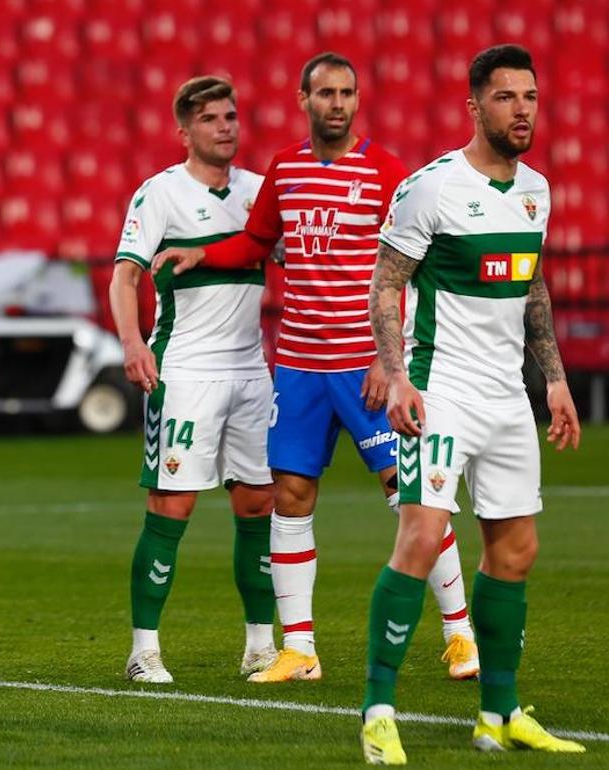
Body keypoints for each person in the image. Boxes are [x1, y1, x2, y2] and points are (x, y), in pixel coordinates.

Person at [155, 53, 478, 683]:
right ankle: (299, 650)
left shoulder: (387, 172)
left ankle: (459, 633)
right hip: (300, 369)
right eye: (326, 92)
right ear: (303, 98)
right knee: (291, 498)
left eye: (348, 93)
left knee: (410, 494)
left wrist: (396, 360)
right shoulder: (287, 169)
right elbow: (255, 240)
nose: (338, 103)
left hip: (367, 368)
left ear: (358, 100)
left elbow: (416, 266)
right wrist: (204, 254)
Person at [358, 44, 584, 764]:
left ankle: (498, 716)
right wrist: (397, 377)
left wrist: (552, 378)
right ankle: (378, 711)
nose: (522, 110)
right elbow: (386, 284)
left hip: (507, 398)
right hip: (442, 391)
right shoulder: (431, 188)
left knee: (515, 553)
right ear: (475, 105)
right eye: (506, 97)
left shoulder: (537, 191)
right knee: (422, 537)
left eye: (530, 97)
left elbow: (532, 286)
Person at [110, 76, 275, 684]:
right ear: (185, 131)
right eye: (210, 119)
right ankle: (143, 649)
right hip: (184, 370)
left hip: (251, 371)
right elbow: (124, 275)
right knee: (171, 506)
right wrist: (132, 341)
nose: (225, 126)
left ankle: (261, 646)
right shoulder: (160, 194)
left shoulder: (262, 193)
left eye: (231, 115)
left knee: (259, 505)